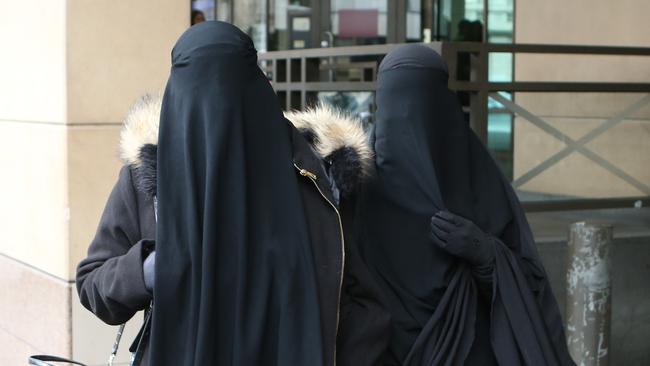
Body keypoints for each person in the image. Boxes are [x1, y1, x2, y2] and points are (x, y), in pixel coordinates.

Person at [148, 21, 387, 365]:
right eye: (199, 87)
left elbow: (363, 296)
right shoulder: (150, 177)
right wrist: (149, 269)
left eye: (229, 85)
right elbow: (95, 282)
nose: (218, 108)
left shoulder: (315, 175)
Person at [354, 44, 575, 365]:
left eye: (420, 105)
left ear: (443, 106)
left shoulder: (478, 181)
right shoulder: (356, 189)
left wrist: (486, 255)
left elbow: (529, 285)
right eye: (395, 106)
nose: (407, 120)